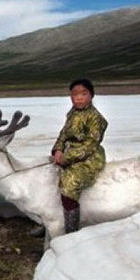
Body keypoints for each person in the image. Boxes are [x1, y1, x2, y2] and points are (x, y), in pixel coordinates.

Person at [51, 78, 107, 233]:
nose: (79, 97)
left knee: (69, 185)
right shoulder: (73, 113)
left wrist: (66, 158)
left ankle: (71, 231)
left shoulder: (96, 118)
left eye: (83, 93)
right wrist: (57, 150)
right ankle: (50, 221)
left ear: (91, 95)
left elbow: (90, 145)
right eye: (75, 94)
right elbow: (63, 135)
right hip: (68, 153)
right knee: (51, 179)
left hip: (89, 158)